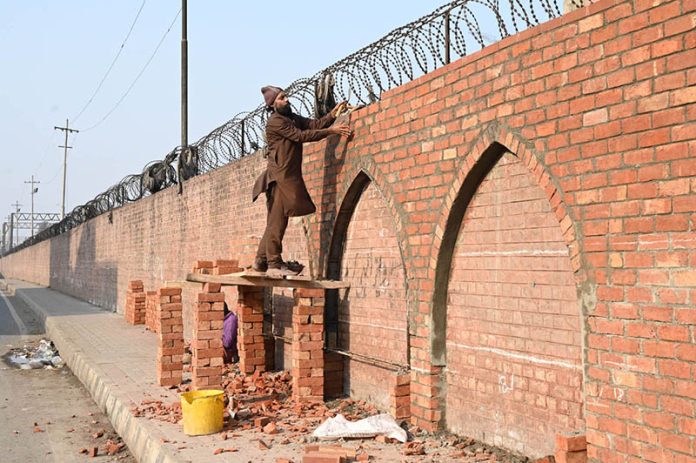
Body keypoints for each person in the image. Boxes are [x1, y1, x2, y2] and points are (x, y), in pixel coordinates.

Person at [252, 86, 351, 276]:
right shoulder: (275, 122)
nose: (287, 100)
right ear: (273, 105)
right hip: (278, 178)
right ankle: (274, 263)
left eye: (286, 96)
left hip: (287, 177)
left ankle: (260, 261)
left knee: (275, 221)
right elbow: (300, 136)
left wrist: (332, 114)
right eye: (282, 98)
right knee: (277, 223)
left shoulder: (292, 118)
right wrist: (332, 131)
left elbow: (313, 125)